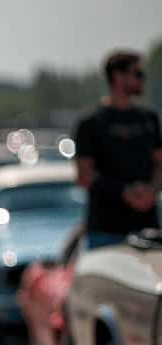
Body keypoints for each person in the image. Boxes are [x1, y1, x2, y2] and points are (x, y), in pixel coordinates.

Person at [74, 50, 162, 248]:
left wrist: (151, 190)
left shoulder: (149, 119)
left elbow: (160, 164)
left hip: (148, 232)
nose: (142, 80)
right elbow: (84, 176)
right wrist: (125, 191)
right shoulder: (91, 122)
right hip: (105, 232)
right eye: (138, 74)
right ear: (118, 76)